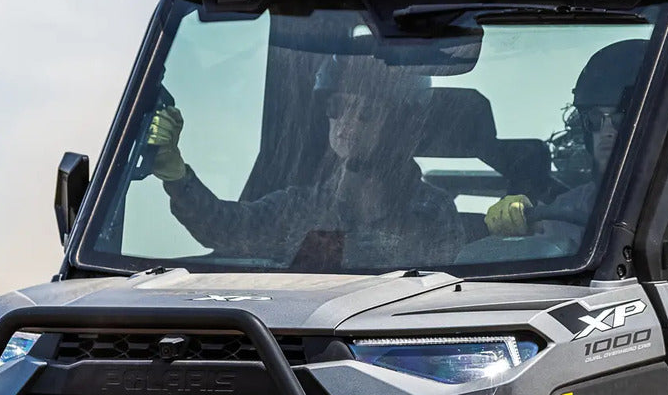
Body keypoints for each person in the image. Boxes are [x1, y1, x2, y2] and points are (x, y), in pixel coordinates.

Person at [145, 54, 466, 270]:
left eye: (367, 113)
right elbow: (226, 228)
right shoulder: (300, 208)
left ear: (397, 125)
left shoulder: (433, 212)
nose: (347, 124)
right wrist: (175, 175)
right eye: (337, 107)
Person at [482, 39, 648, 248]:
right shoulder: (570, 206)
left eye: (620, 117)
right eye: (594, 119)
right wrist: (519, 226)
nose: (606, 130)